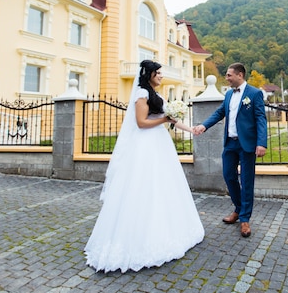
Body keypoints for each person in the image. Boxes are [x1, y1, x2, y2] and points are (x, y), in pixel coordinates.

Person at [84, 60, 204, 273]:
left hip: (159, 143)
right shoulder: (142, 94)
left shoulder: (156, 94)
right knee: (145, 185)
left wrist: (190, 129)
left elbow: (171, 120)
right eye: (157, 73)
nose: (160, 76)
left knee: (163, 185)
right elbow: (141, 122)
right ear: (148, 74)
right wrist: (164, 118)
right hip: (145, 144)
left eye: (161, 72)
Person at [193, 63, 267, 238]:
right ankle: (239, 209)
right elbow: (219, 113)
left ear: (239, 75)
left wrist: (261, 143)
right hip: (230, 144)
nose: (226, 78)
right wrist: (204, 126)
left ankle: (244, 219)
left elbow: (261, 119)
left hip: (247, 144)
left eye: (229, 75)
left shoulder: (254, 94)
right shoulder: (228, 94)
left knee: (247, 181)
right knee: (228, 176)